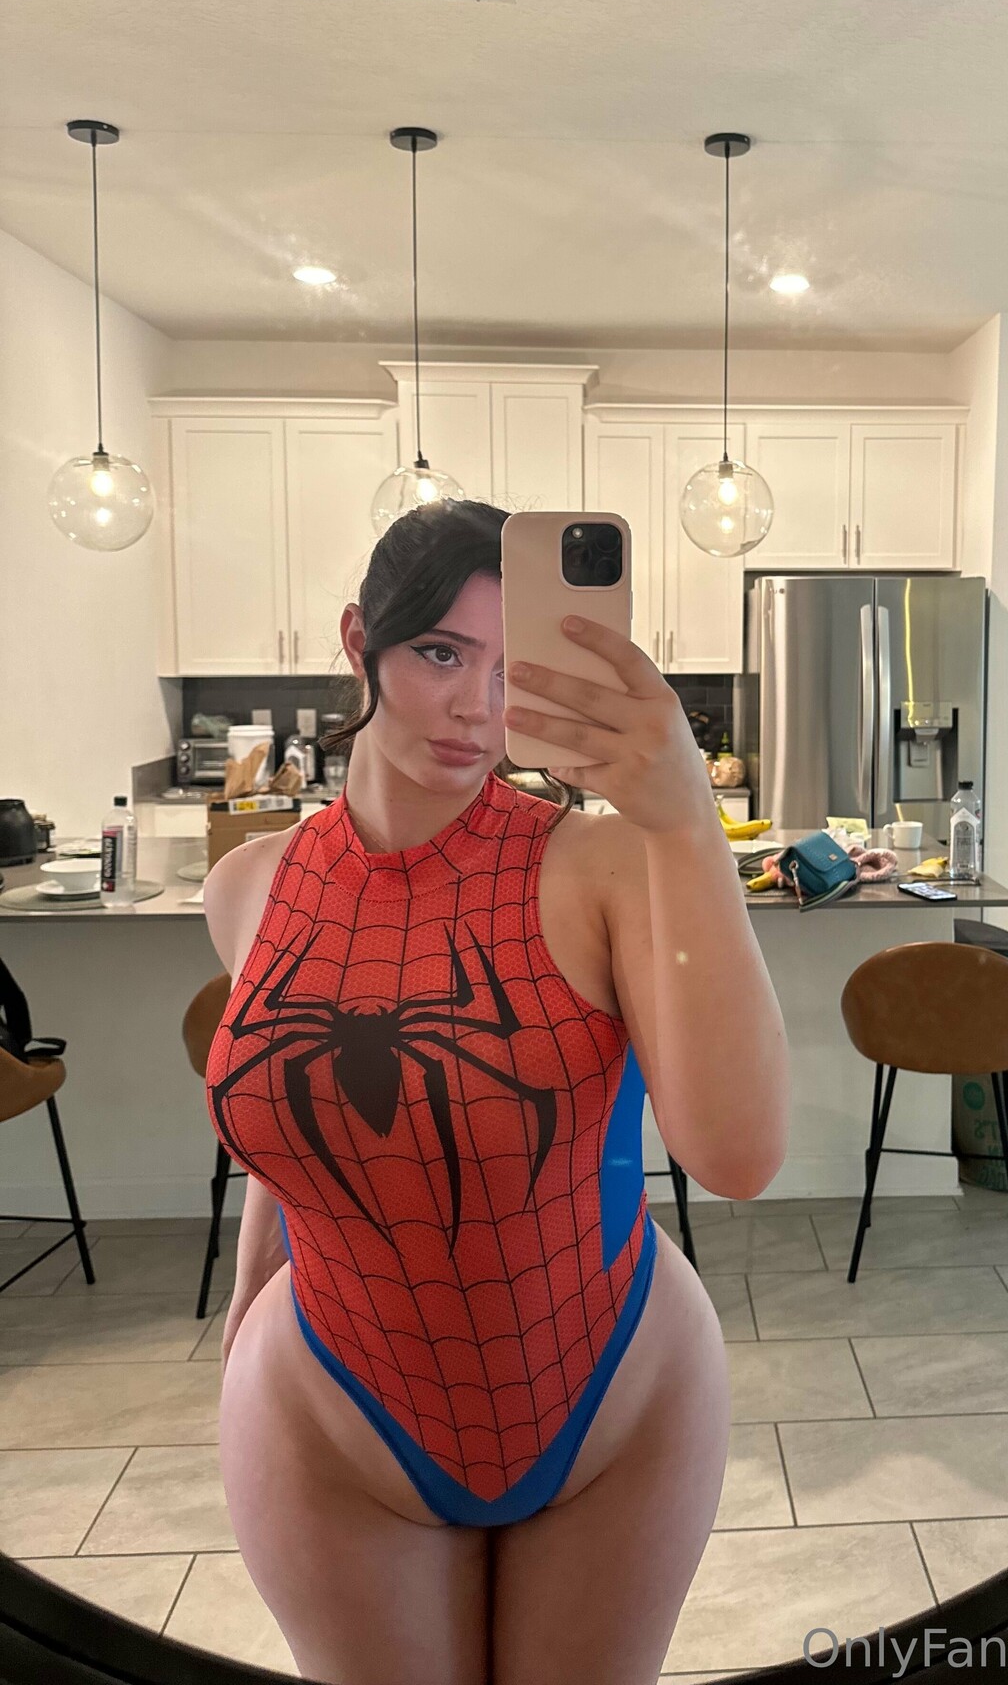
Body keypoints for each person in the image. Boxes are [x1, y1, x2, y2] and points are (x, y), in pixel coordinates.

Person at [202, 497, 789, 1685]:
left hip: (614, 1396)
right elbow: (300, 1107)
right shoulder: (246, 887)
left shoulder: (606, 866)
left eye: (513, 670)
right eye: (441, 654)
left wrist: (686, 824)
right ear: (359, 640)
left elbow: (739, 1158)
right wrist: (250, 1283)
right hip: (329, 1406)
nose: (478, 705)